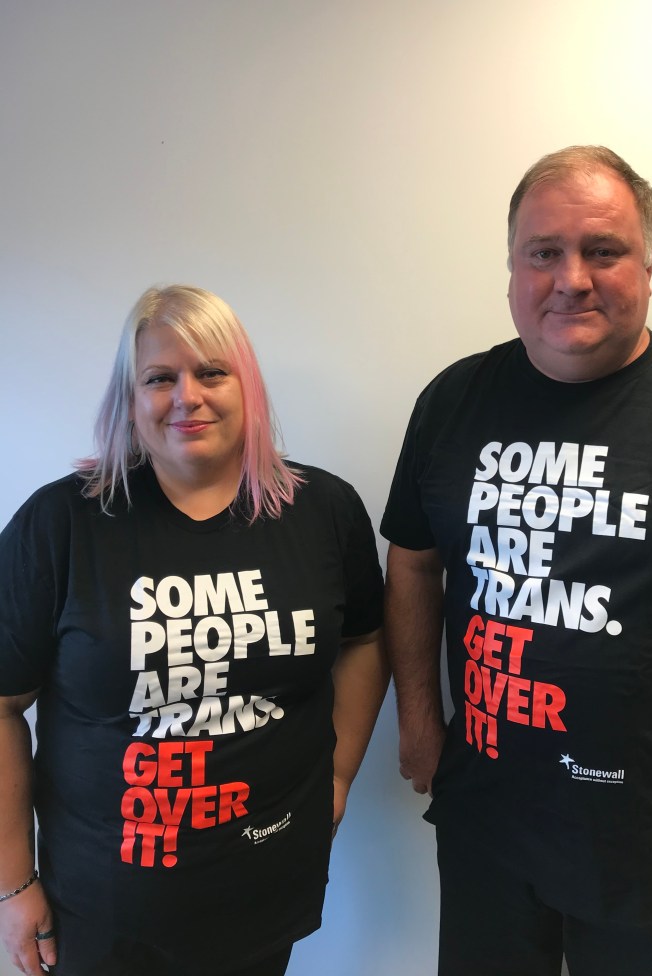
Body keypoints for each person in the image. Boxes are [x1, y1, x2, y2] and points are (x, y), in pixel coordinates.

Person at [380, 146, 652, 976]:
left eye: (603, 251)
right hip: (488, 820)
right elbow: (413, 561)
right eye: (544, 252)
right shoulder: (453, 400)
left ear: (650, 261)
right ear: (513, 264)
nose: (572, 278)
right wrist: (418, 716)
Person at [0, 284, 389, 976]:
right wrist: (13, 882)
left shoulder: (322, 510)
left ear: (248, 387)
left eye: (212, 371)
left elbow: (363, 638)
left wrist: (339, 771)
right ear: (129, 397)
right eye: (159, 378)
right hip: (103, 907)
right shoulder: (61, 526)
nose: (188, 396)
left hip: (267, 881)